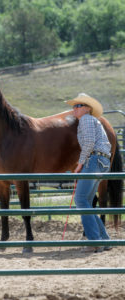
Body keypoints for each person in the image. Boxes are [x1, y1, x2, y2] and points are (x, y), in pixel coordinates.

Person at [66, 93, 112, 253]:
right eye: (74, 106)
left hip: (94, 160)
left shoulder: (86, 120)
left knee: (80, 199)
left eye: (78, 106)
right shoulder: (92, 120)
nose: (74, 109)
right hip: (102, 162)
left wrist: (79, 165)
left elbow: (90, 143)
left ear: (87, 109)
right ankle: (103, 239)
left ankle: (95, 241)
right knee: (86, 200)